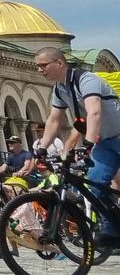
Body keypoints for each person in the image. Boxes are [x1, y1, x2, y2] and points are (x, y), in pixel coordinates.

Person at [33, 47, 120, 247]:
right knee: (94, 186)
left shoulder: (86, 80)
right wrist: (41, 149)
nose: (40, 70)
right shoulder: (59, 89)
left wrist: (87, 143)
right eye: (38, 67)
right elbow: (54, 120)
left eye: (44, 65)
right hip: (105, 143)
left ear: (60, 63)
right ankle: (112, 230)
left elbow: (94, 112)